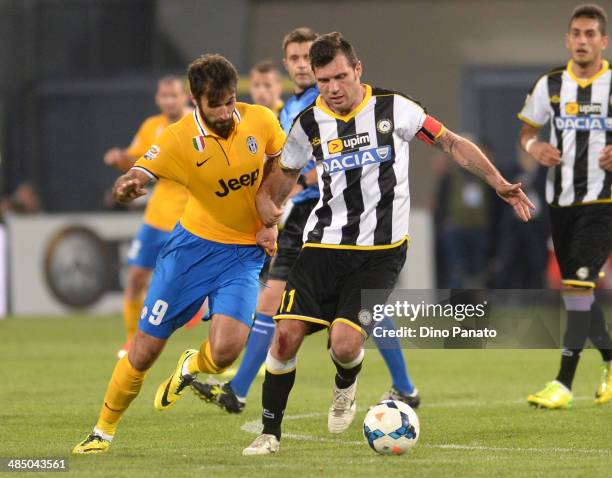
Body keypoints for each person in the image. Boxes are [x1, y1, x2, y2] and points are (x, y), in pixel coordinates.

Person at [243, 32, 534, 455]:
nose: (333, 89)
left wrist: (499, 183)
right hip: (323, 246)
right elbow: (284, 177)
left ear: (357, 69)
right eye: (323, 81)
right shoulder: (308, 123)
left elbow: (451, 142)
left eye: (340, 77)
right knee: (285, 336)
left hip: (380, 254)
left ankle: (346, 383)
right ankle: (269, 433)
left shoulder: (395, 108)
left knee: (344, 345)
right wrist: (266, 213)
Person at [192, 27, 420, 413]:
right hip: (305, 219)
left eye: (305, 58)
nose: (301, 65)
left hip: (323, 220)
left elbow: (330, 158)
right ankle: (241, 389)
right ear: (288, 65)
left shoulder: (329, 101)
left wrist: (294, 185)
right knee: (337, 308)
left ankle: (240, 390)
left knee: (298, 306)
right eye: (295, 59)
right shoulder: (294, 107)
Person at [72, 54, 286, 454]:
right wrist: (127, 185)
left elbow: (279, 160)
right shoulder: (176, 138)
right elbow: (140, 172)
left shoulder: (259, 120)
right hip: (190, 252)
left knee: (224, 354)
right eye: (215, 104)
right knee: (144, 351)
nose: (225, 112)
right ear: (195, 99)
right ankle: (102, 431)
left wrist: (267, 209)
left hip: (242, 255)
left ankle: (192, 365)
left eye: (229, 101)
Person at [519, 4, 612, 409]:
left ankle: (563, 383)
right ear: (567, 39)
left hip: (602, 200)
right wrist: (534, 146)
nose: (582, 40)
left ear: (603, 41)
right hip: (561, 203)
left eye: (590, 33)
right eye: (576, 33)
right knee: (577, 292)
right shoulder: (551, 84)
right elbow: (527, 131)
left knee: (577, 286)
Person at [103, 76, 191, 358]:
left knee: (188, 280)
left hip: (188, 217)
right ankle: (131, 341)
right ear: (158, 98)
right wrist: (121, 160)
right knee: (136, 277)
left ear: (185, 96)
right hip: (156, 216)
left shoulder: (197, 125)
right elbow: (138, 162)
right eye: (164, 96)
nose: (169, 101)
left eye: (173, 95)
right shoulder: (151, 127)